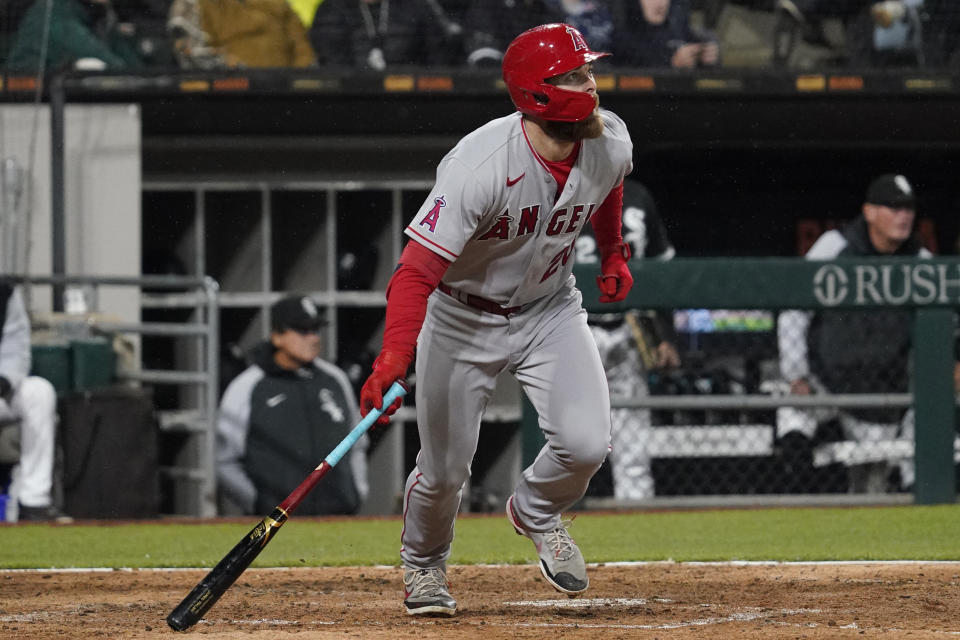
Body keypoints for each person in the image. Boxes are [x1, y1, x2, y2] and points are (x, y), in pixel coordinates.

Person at [358, 23, 634, 616]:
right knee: (444, 471)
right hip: (462, 318)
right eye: (577, 76)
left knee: (585, 445)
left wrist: (612, 251)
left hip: (549, 309)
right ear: (538, 94)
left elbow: (608, 189)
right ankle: (424, 566)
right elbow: (414, 273)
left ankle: (536, 510)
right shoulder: (479, 165)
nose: (592, 85)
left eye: (589, 72)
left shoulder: (610, 140)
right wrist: (392, 358)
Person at [776, 174, 943, 493]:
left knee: (872, 483)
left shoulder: (921, 262)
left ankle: (908, 489)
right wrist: (796, 373)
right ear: (869, 212)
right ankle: (793, 485)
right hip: (825, 382)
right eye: (893, 208)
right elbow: (793, 309)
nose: (904, 216)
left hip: (882, 393)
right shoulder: (835, 246)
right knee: (789, 406)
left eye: (908, 209)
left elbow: (944, 328)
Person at [216, 295, 368, 516]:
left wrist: (355, 495)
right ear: (277, 336)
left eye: (316, 329)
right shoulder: (248, 386)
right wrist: (258, 504)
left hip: (339, 518)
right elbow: (225, 460)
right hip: (277, 523)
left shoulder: (335, 379)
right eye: (303, 330)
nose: (313, 338)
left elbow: (357, 444)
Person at [579, 179, 679, 501]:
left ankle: (636, 522)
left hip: (628, 327)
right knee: (565, 437)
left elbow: (661, 271)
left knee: (633, 442)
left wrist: (665, 336)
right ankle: (554, 519)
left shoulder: (637, 195)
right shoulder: (560, 189)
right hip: (575, 327)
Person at [0, 284, 67, 522]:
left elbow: (16, 348)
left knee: (39, 392)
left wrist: (6, 379)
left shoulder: (4, 293)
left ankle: (33, 502)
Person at [308, 0, 462, 70]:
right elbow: (332, 65)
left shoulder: (417, 7)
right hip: (349, 103)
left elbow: (439, 58)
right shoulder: (331, 9)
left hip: (412, 101)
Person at [168, 0, 317, 68]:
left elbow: (303, 49)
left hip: (282, 95)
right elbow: (189, 52)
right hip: (226, 95)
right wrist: (231, 69)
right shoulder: (192, 3)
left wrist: (298, 81)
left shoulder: (279, 4)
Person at [6, 0, 146, 71]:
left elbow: (134, 70)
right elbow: (115, 68)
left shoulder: (100, 15)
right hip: (23, 110)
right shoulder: (51, 12)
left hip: (67, 107)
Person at [611, 0, 719, 69]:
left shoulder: (679, 31)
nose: (660, 3)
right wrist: (671, 62)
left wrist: (706, 55)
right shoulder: (622, 38)